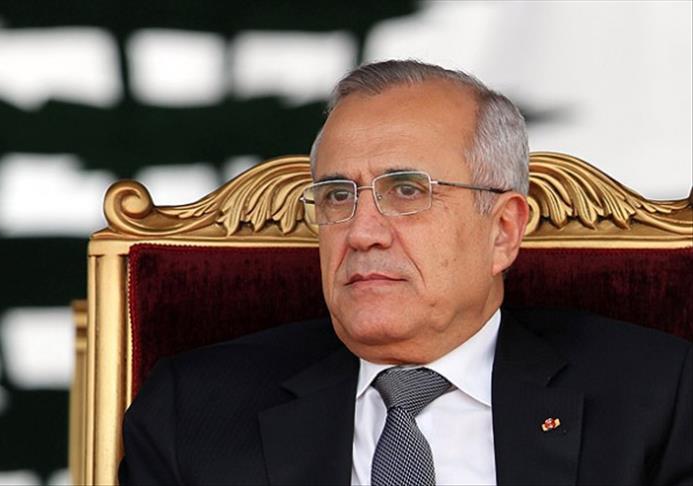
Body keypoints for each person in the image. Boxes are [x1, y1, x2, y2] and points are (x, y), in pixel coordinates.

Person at [119, 60, 692, 485]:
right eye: (337, 195)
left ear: (502, 230)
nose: (361, 231)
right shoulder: (192, 411)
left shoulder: (656, 397)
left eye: (407, 191)